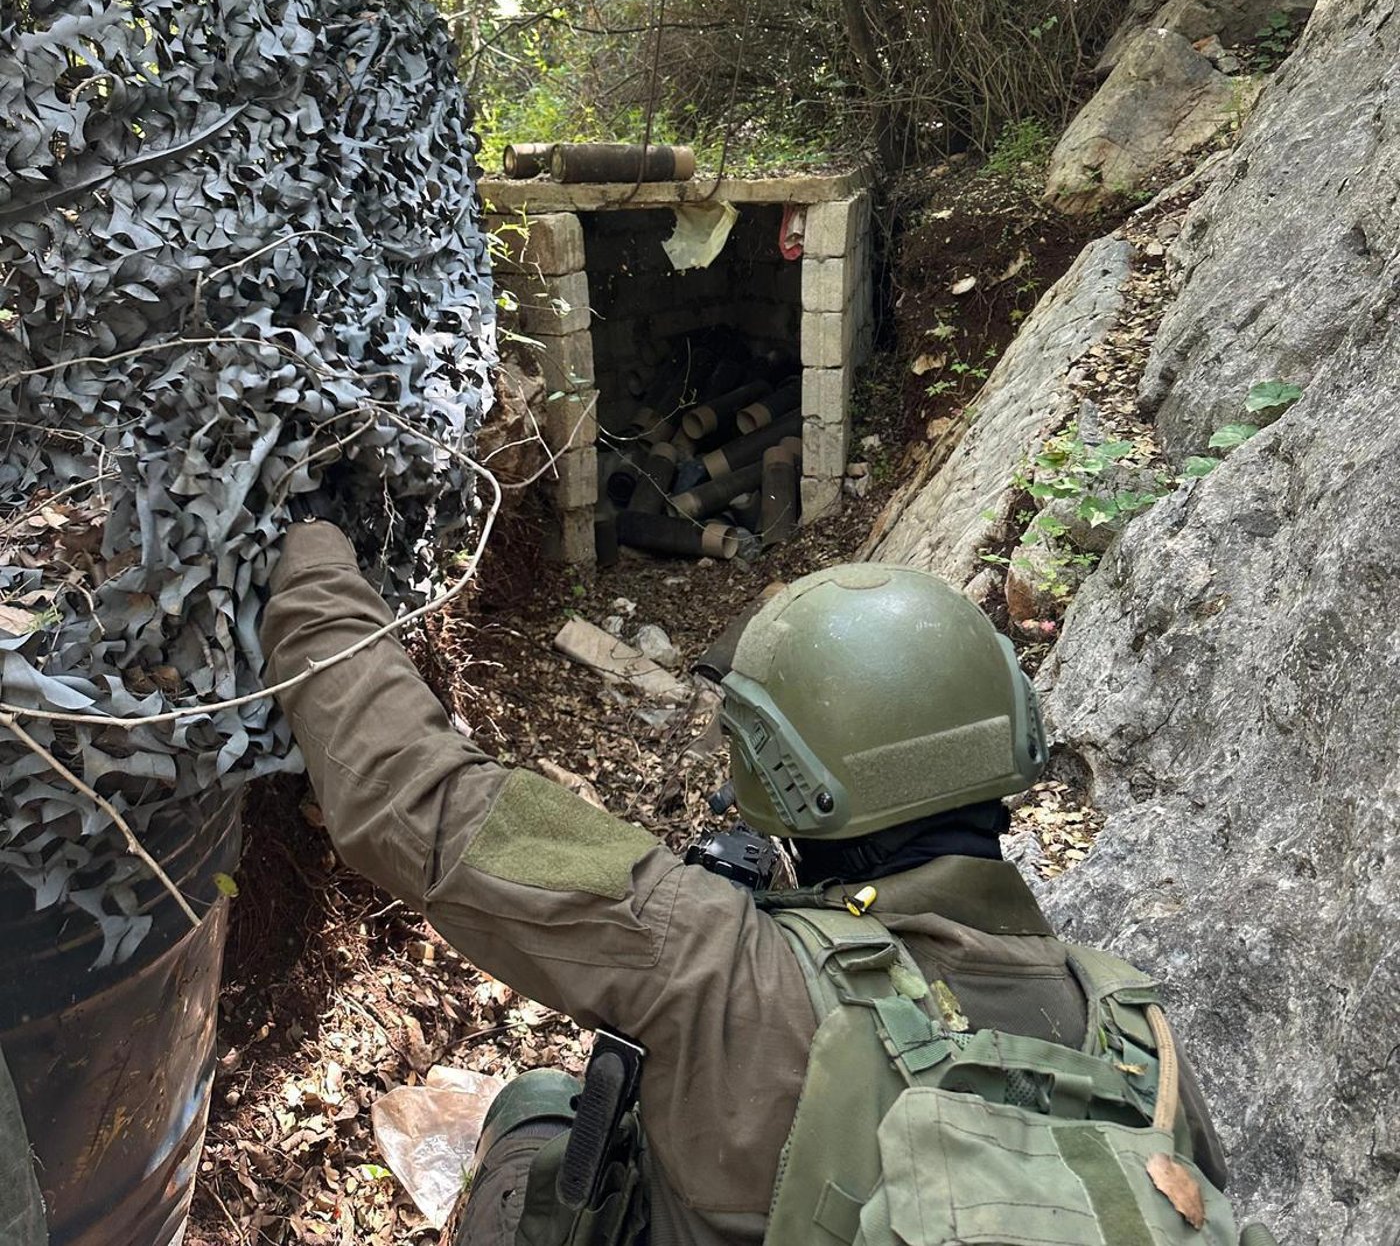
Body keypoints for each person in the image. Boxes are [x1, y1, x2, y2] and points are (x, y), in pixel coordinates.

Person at [261, 528, 1232, 1246]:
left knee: (533, 1117)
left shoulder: (720, 964)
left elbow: (413, 802)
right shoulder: (1133, 1025)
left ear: (791, 786)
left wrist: (308, 567)